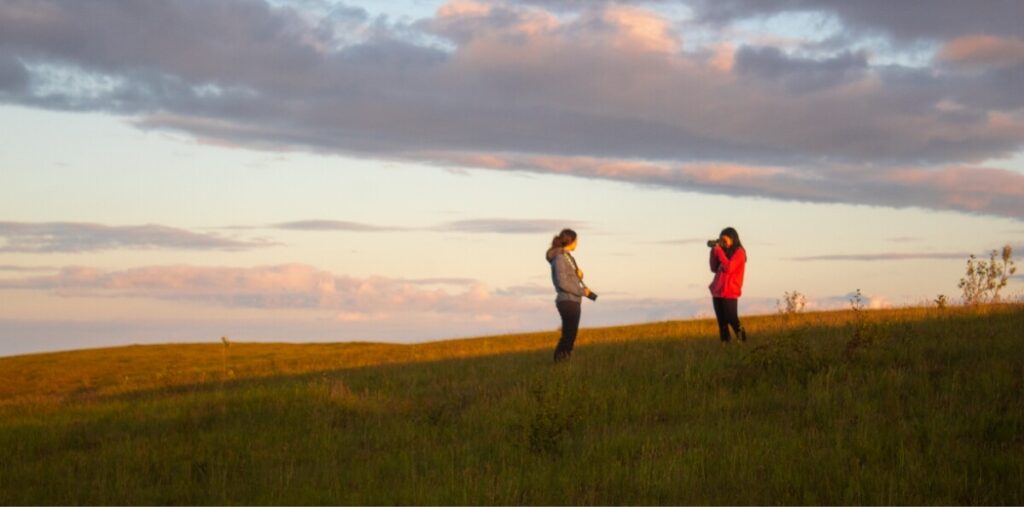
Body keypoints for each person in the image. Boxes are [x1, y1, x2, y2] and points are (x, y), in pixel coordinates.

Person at [546, 228, 594, 362]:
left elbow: (568, 278)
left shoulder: (566, 257)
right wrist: (582, 291)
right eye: (576, 240)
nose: (577, 243)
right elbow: (562, 283)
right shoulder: (560, 258)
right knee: (568, 336)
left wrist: (579, 275)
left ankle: (564, 362)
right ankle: (559, 363)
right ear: (571, 241)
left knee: (570, 335)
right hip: (567, 301)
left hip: (572, 300)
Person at [709, 227, 747, 343]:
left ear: (733, 239)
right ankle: (726, 346)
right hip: (718, 292)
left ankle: (743, 342)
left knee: (732, 319)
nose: (723, 243)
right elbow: (713, 268)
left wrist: (719, 252)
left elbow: (729, 268)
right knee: (722, 323)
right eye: (721, 241)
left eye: (725, 241)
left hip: (730, 292)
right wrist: (713, 252)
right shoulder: (723, 252)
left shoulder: (739, 253)